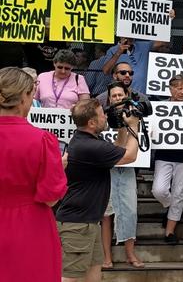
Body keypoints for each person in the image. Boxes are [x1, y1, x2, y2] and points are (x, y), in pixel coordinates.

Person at [56, 98, 140, 282]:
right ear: (92, 122)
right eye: (102, 114)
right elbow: (130, 156)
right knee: (69, 277)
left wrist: (122, 128)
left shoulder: (89, 140)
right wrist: (135, 125)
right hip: (77, 224)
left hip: (88, 222)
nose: (106, 117)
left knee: (93, 274)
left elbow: (116, 151)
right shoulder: (89, 146)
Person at [0, 67, 68, 282]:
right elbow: (51, 199)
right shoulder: (41, 140)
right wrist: (59, 165)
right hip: (30, 228)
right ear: (24, 97)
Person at [151, 75, 183, 244]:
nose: (182, 91)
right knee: (159, 189)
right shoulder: (161, 107)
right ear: (170, 89)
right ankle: (170, 207)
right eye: (178, 88)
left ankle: (169, 232)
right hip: (163, 155)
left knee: (179, 192)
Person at [100, 81, 144, 269]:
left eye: (120, 95)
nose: (117, 98)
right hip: (106, 171)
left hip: (127, 169)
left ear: (126, 96)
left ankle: (130, 253)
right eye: (114, 96)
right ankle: (106, 257)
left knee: (130, 211)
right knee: (106, 214)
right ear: (109, 98)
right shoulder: (102, 118)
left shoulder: (135, 117)